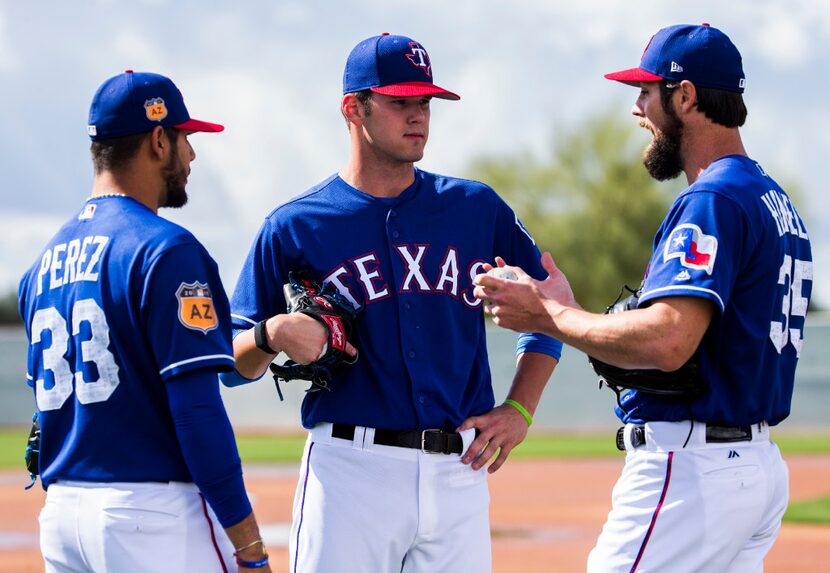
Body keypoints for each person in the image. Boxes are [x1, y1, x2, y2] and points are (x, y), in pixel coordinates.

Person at [475, 23, 813, 572]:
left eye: (646, 91)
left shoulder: (714, 198)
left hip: (693, 470)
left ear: (686, 96)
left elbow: (670, 340)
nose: (637, 108)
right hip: (749, 465)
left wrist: (551, 315)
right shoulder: (771, 197)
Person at [221, 33, 562, 572]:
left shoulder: (475, 208)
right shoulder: (295, 225)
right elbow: (231, 366)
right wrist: (272, 334)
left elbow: (553, 307)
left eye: (424, 101)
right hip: (350, 473)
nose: (418, 115)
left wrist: (521, 408)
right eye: (400, 101)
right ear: (353, 108)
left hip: (459, 471)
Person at [18, 70, 271, 573]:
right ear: (158, 140)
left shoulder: (41, 266)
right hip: (149, 518)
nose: (192, 155)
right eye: (185, 138)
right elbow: (197, 413)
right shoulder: (166, 250)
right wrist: (249, 545)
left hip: (63, 513)